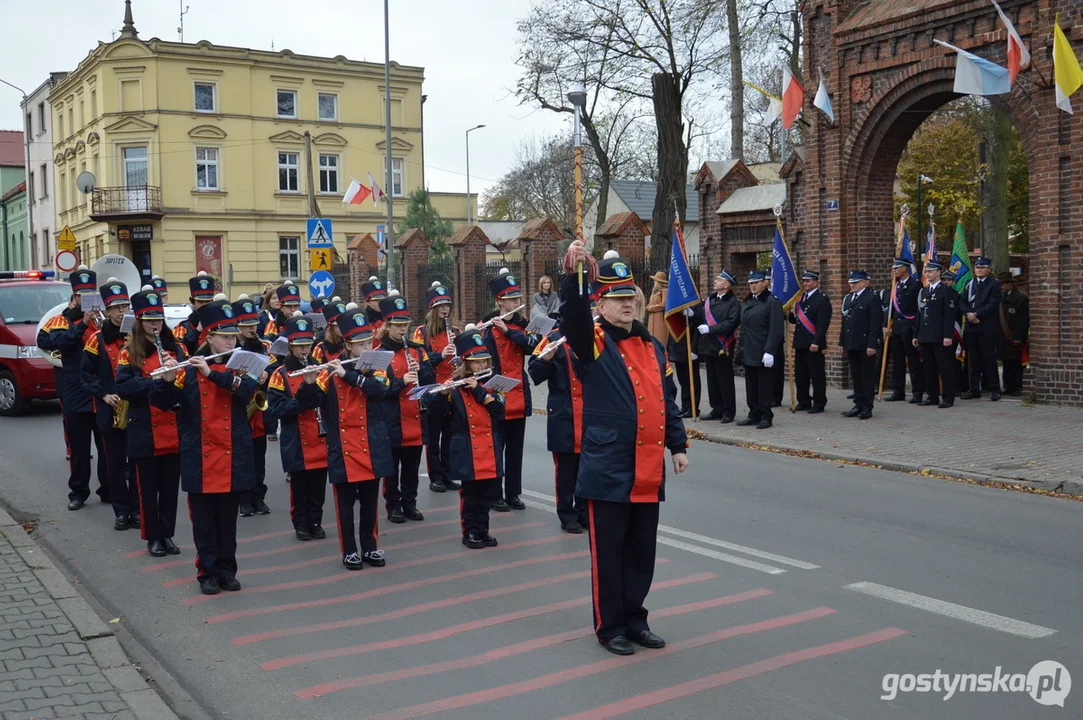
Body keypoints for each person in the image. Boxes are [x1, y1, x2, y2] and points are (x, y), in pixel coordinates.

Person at [558, 244, 689, 656]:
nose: (628, 304)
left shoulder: (652, 345)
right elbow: (574, 317)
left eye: (630, 297)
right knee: (609, 554)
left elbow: (666, 398)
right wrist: (574, 273)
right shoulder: (593, 341)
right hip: (609, 466)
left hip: (648, 466)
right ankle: (609, 624)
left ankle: (636, 619)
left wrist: (678, 444)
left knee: (640, 553)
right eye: (617, 298)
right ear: (601, 303)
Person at [150, 299, 258, 595]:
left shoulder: (241, 363)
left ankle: (227, 570)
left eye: (233, 335)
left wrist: (212, 373)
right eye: (225, 336)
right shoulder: (188, 369)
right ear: (209, 338)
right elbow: (163, 404)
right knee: (203, 522)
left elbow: (247, 389)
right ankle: (206, 572)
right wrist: (167, 380)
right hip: (200, 455)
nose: (231, 340)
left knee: (228, 521)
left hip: (232, 453)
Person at [315, 308, 394, 570]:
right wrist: (307, 382)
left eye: (368, 342)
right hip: (343, 446)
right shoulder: (330, 370)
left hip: (372, 444)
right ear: (347, 345)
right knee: (345, 506)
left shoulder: (378, 365)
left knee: (371, 503)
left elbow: (379, 390)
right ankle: (349, 550)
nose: (367, 347)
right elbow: (311, 402)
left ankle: (370, 547)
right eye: (360, 344)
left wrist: (348, 375)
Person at [116, 288, 184, 557]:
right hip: (144, 427)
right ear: (139, 321)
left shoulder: (175, 348)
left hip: (173, 426)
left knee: (169, 489)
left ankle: (167, 534)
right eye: (149, 319)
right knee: (147, 488)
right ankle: (152, 537)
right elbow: (124, 388)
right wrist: (154, 381)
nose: (155, 324)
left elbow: (184, 386)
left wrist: (173, 377)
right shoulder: (128, 352)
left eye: (158, 319)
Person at [425, 325, 506, 550]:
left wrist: (479, 391)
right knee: (470, 495)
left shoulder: (493, 384)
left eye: (484, 361)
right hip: (468, 449)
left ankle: (484, 530)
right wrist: (442, 393)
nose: (481, 366)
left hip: (490, 448)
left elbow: (500, 412)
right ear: (466, 363)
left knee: (488, 494)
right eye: (476, 362)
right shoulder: (456, 388)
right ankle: (470, 531)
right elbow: (435, 413)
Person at [38, 266, 108, 511]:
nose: (87, 298)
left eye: (91, 293)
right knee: (79, 449)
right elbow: (49, 342)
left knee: (106, 446)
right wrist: (82, 324)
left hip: (101, 391)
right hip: (76, 389)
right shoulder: (62, 319)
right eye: (82, 294)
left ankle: (107, 489)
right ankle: (78, 492)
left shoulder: (104, 319)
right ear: (75, 295)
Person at [82, 278, 138, 530]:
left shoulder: (137, 336)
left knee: (137, 463)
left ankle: (138, 510)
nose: (121, 312)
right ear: (106, 310)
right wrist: (103, 395)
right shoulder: (96, 339)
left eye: (124, 306)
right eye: (115, 308)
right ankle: (121, 511)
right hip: (110, 409)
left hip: (135, 407)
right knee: (115, 465)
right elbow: (85, 374)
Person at [268, 313, 329, 542]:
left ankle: (316, 520)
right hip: (296, 437)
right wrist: (304, 393)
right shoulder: (280, 374)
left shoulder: (321, 369)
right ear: (290, 347)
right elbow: (278, 408)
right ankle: (301, 523)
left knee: (318, 485)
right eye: (299, 346)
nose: (305, 351)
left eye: (308, 345)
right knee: (300, 486)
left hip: (320, 435)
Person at [528, 310, 589, 534]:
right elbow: (534, 373)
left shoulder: (595, 336)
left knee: (587, 468)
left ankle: (584, 512)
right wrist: (545, 359)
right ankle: (567, 514)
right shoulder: (552, 338)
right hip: (563, 411)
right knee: (565, 469)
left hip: (590, 412)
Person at [376, 292, 435, 523]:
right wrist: (402, 382)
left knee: (411, 467)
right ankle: (394, 505)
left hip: (415, 418)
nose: (403, 330)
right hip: (392, 418)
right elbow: (380, 390)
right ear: (387, 326)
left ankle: (410, 503)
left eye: (405, 325)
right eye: (398, 325)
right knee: (391, 469)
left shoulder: (417, 351)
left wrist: (420, 370)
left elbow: (430, 380)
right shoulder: (381, 354)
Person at [482, 269, 536, 512]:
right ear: (500, 301)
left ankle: (514, 493)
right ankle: (495, 494)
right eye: (512, 299)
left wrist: (509, 331)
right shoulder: (487, 327)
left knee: (516, 451)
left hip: (518, 395)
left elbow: (532, 348)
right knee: (496, 448)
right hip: (496, 395)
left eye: (518, 298)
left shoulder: (523, 326)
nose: (517, 302)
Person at [412, 282, 462, 494]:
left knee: (451, 435)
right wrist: (440, 355)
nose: (445, 309)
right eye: (441, 305)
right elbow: (419, 360)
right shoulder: (421, 332)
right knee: (433, 437)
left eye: (447, 305)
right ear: (433, 308)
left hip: (453, 387)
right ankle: (435, 476)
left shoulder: (456, 331)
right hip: (434, 389)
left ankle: (448, 473)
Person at [233, 295, 274, 517]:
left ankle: (259, 496)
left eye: (254, 324)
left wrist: (266, 374)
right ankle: (244, 499)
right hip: (240, 406)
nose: (252, 328)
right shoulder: (232, 347)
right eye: (247, 325)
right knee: (242, 458)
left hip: (257, 409)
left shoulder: (262, 345)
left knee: (259, 458)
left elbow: (274, 369)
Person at [736, 271, 783, 429]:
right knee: (751, 385)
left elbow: (776, 329)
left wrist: (769, 350)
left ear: (765, 282)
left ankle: (765, 415)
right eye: (751, 283)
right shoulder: (748, 301)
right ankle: (753, 413)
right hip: (749, 349)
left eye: (756, 282)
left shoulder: (772, 301)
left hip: (763, 351)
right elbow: (744, 327)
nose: (753, 286)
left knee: (764, 385)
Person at [697, 271, 741, 423]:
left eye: (719, 280)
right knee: (712, 380)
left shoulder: (733, 303)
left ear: (727, 284)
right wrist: (690, 313)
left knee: (725, 380)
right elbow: (702, 316)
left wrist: (711, 329)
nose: (715, 281)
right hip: (709, 345)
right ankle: (716, 408)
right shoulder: (711, 300)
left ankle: (728, 411)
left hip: (723, 345)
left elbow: (731, 323)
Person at [839, 270, 883, 419]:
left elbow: (875, 323)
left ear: (865, 282)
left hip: (865, 344)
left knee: (867, 376)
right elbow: (845, 322)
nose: (852, 285)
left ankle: (867, 407)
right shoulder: (849, 298)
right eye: (851, 282)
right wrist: (842, 341)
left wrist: (872, 344)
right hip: (852, 342)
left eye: (855, 282)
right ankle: (858, 404)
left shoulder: (871, 298)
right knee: (856, 376)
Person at [914, 261, 957, 409]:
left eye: (931, 271)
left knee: (944, 367)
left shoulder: (946, 291)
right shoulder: (924, 291)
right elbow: (919, 314)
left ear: (938, 272)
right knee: (928, 368)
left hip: (940, 336)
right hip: (925, 335)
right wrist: (916, 335)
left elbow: (949, 315)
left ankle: (948, 397)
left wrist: (948, 336)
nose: (928, 274)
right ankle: (932, 396)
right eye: (926, 272)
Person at [788, 270, 832, 413]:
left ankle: (819, 402)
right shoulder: (801, 299)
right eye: (804, 281)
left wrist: (816, 342)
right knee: (801, 375)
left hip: (814, 343)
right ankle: (804, 400)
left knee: (816, 374)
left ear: (815, 282)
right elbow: (795, 320)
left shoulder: (822, 299)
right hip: (800, 342)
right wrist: (789, 313)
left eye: (808, 281)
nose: (805, 284)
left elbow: (822, 324)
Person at [960, 257, 1003, 401]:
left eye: (982, 267)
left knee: (989, 359)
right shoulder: (969, 283)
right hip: (971, 327)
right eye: (977, 267)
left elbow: (993, 303)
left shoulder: (994, 284)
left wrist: (977, 314)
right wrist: (968, 314)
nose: (979, 269)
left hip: (986, 326)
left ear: (988, 269)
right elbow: (963, 301)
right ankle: (974, 389)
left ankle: (994, 389)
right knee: (973, 360)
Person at [885, 259, 924, 403]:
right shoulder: (895, 286)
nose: (894, 270)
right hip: (897, 327)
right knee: (897, 361)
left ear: (905, 268)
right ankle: (898, 391)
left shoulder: (915, 285)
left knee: (913, 361)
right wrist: (886, 325)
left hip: (910, 325)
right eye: (893, 268)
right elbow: (891, 309)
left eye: (896, 268)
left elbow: (919, 309)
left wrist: (916, 329)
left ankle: (917, 392)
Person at [997, 272, 1029, 395]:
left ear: (1010, 283)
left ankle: (1018, 386)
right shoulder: (1002, 296)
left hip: (1015, 336)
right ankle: (1008, 385)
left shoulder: (1020, 298)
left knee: (1016, 362)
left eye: (1003, 283)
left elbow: (1022, 320)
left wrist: (1018, 337)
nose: (1001, 286)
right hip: (1003, 336)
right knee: (1006, 361)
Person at [667, 304, 702, 419]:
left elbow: (699, 324)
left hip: (690, 346)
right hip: (679, 346)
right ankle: (685, 405)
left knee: (692, 379)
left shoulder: (697, 304)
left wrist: (695, 349)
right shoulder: (677, 302)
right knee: (683, 379)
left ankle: (693, 407)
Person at [174, 272, 217, 355]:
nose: (204, 305)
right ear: (192, 302)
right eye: (200, 301)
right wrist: (197, 331)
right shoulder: (181, 327)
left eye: (208, 301)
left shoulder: (219, 324)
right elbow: (179, 353)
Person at [361, 276, 388, 343]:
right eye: (376, 300)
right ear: (368, 302)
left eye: (382, 300)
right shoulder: (363, 320)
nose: (380, 303)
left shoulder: (388, 317)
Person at [645, 271, 669, 346]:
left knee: (659, 338)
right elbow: (650, 303)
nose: (654, 282)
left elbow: (663, 304)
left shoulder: (664, 291)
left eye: (655, 281)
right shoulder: (654, 292)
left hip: (659, 317)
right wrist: (648, 306)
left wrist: (651, 308)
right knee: (651, 338)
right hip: (652, 317)